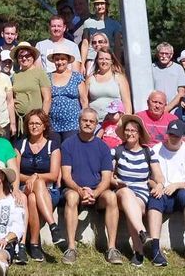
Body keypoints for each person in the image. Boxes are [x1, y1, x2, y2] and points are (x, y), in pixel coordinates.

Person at [57, 108, 123, 265]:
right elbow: (66, 176)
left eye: (91, 121)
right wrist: (80, 190)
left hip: (97, 192)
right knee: (72, 197)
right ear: (79, 122)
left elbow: (106, 178)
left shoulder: (103, 147)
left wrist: (94, 193)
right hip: (74, 189)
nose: (88, 124)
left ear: (96, 124)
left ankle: (112, 248)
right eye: (84, 120)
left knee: (112, 197)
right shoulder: (68, 144)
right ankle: (71, 247)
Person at [145, 119, 185, 268]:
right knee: (154, 200)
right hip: (162, 190)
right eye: (171, 134)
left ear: (183, 137)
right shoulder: (156, 150)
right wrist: (156, 185)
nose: (173, 138)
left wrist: (177, 185)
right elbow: (148, 178)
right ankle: (155, 250)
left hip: (182, 190)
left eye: (177, 136)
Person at [112, 115, 162, 267]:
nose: (130, 133)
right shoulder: (116, 151)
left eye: (133, 130)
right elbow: (108, 175)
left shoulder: (148, 152)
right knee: (127, 194)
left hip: (141, 192)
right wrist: (114, 181)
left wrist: (159, 184)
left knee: (135, 207)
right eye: (127, 130)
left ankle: (138, 253)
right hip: (122, 190)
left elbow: (159, 176)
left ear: (139, 133)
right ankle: (142, 233)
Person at [14, 110, 61, 263]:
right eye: (31, 123)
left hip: (48, 191)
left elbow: (54, 175)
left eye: (37, 123)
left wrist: (36, 177)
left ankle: (34, 243)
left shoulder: (52, 145)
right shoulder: (21, 145)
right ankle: (53, 226)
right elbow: (15, 173)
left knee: (33, 198)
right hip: (23, 188)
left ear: (44, 126)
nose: (34, 126)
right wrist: (32, 179)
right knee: (35, 186)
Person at [46, 41, 87, 141]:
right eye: (57, 59)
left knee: (70, 151)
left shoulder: (77, 77)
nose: (60, 62)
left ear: (68, 60)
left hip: (73, 123)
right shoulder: (47, 76)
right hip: (53, 124)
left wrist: (85, 120)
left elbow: (84, 100)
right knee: (54, 152)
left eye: (63, 59)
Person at [9, 43, 50, 134]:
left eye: (27, 55)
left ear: (33, 57)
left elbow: (47, 99)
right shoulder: (15, 75)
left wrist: (42, 120)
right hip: (19, 119)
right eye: (20, 56)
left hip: (35, 121)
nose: (24, 58)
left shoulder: (40, 73)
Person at [86, 50, 132, 121]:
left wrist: (126, 121)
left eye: (107, 59)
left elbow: (127, 102)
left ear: (112, 61)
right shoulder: (90, 79)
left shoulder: (119, 78)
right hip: (94, 121)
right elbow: (85, 101)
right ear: (97, 60)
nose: (104, 61)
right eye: (101, 59)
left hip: (114, 121)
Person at [151, 43, 185, 113]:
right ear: (157, 54)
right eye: (161, 53)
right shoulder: (151, 68)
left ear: (171, 54)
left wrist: (167, 108)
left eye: (167, 54)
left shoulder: (178, 68)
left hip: (174, 111)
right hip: (155, 110)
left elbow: (181, 93)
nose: (164, 56)